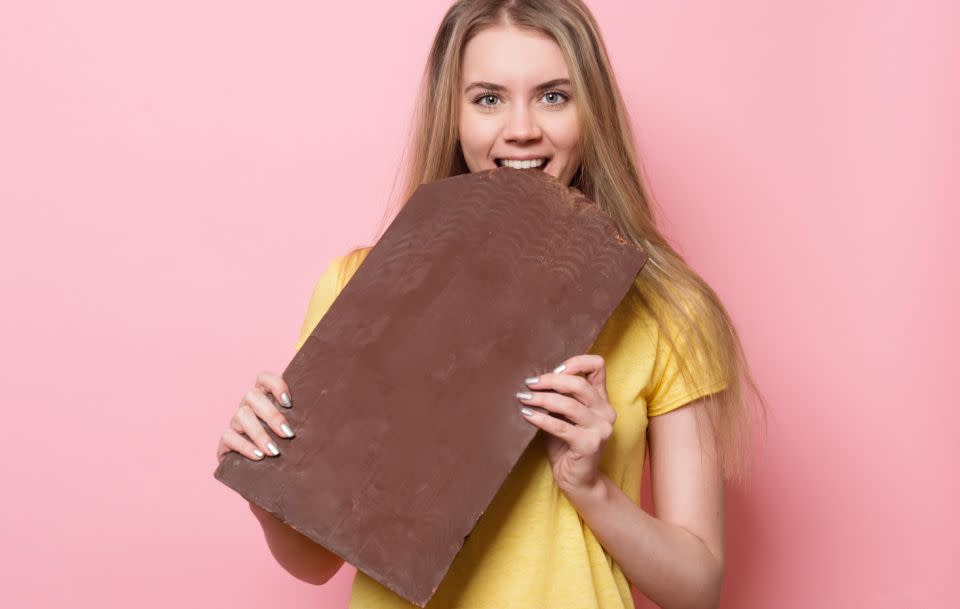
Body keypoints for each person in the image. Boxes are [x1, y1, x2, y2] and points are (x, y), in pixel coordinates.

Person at [215, 1, 766, 607]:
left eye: (554, 96)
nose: (522, 128)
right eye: (489, 99)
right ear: (454, 116)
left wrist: (589, 486)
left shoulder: (670, 310)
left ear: (593, 111)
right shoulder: (360, 283)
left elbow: (699, 588)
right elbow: (315, 563)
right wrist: (264, 485)